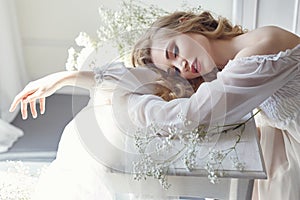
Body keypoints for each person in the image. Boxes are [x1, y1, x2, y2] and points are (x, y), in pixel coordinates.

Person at [9, 10, 300, 200]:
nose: (183, 66)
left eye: (174, 51)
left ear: (186, 25)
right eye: (174, 69)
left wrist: (128, 107)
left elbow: (193, 115)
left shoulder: (260, 52)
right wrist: (68, 77)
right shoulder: (231, 57)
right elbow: (153, 79)